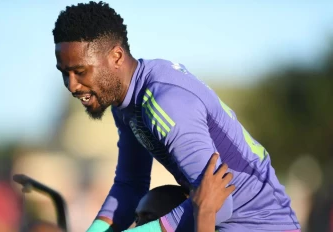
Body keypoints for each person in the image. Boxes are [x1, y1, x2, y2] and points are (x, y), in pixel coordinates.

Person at [52, 2, 301, 231]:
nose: (72, 85)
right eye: (65, 73)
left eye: (80, 71)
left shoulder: (164, 102)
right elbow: (129, 185)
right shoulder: (126, 104)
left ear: (116, 56)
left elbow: (219, 206)